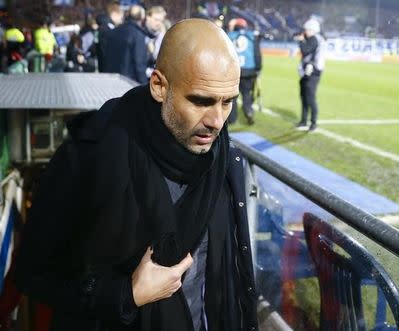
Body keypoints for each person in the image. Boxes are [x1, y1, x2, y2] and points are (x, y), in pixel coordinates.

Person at [14, 18, 258, 331]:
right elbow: (33, 274)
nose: (217, 120)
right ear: (159, 86)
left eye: (228, 102)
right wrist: (126, 295)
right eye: (201, 100)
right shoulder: (88, 156)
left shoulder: (225, 157)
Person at [227, 18, 262, 125]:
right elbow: (257, 53)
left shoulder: (229, 36)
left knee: (233, 96)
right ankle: (249, 111)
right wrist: (258, 68)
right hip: (249, 70)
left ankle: (232, 119)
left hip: (234, 70)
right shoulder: (252, 36)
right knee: (247, 94)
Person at [103, 5, 148, 84]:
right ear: (142, 18)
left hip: (110, 80)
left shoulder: (113, 32)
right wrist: (145, 86)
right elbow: (139, 65)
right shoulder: (138, 35)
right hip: (129, 83)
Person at [295, 18, 325, 132]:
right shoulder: (316, 39)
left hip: (312, 72)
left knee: (310, 98)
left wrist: (301, 41)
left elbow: (305, 50)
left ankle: (313, 123)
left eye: (306, 29)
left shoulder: (314, 39)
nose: (304, 32)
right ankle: (304, 121)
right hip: (309, 71)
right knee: (304, 96)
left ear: (311, 30)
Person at [96, 1, 124, 72]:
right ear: (114, 15)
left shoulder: (108, 28)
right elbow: (105, 51)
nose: (122, 21)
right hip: (108, 70)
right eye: (121, 18)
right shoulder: (106, 29)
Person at [144, 6, 167, 74]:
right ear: (148, 17)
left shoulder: (162, 36)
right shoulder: (139, 33)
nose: (158, 23)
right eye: (156, 20)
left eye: (161, 21)